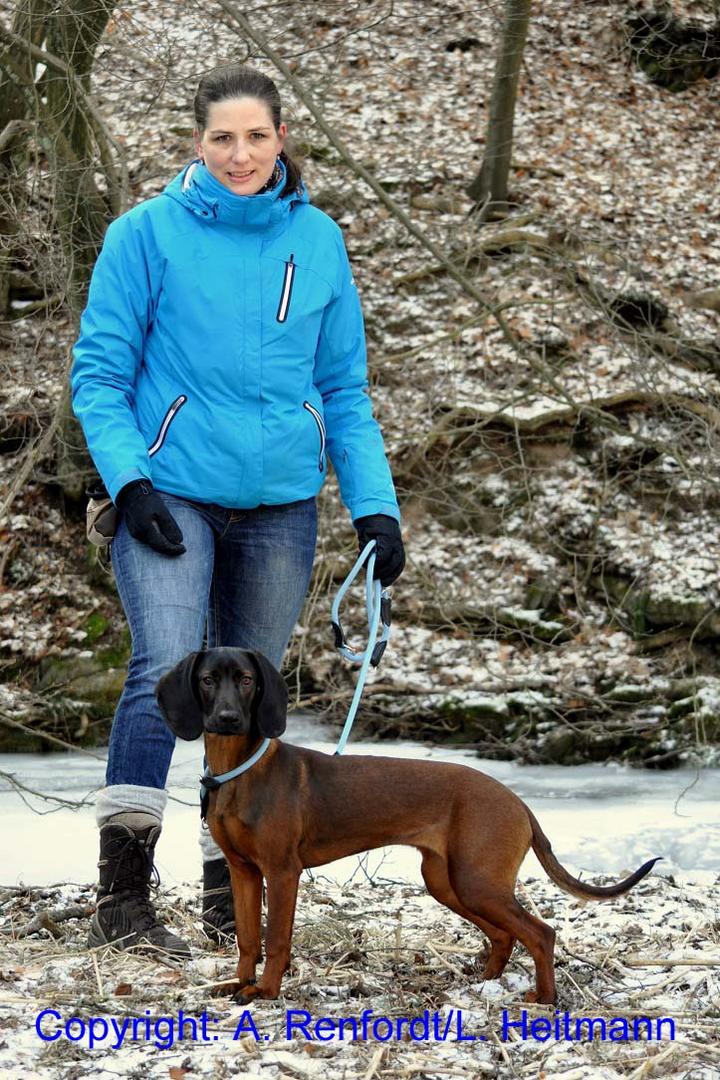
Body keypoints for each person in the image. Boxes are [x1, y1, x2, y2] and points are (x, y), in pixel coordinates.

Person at [71, 62, 404, 957]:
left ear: (282, 139)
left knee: (250, 684)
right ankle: (125, 902)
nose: (240, 153)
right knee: (164, 671)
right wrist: (130, 482)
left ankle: (234, 892)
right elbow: (98, 376)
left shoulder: (321, 240)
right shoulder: (143, 235)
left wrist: (376, 508)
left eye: (256, 136)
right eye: (222, 137)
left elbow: (343, 389)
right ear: (197, 143)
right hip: (168, 490)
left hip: (282, 505)